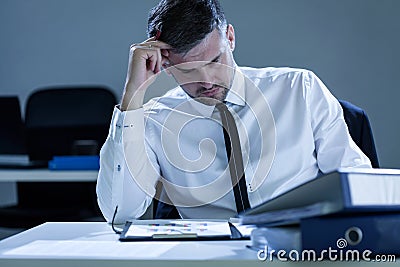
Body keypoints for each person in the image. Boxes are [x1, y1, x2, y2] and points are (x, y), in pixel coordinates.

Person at [96, 0, 371, 224]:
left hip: (297, 247)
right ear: (166, 65)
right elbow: (121, 211)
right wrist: (132, 99)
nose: (207, 81)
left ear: (230, 37)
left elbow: (356, 182)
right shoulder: (156, 119)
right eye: (188, 71)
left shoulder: (299, 89)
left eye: (215, 61)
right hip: (207, 256)